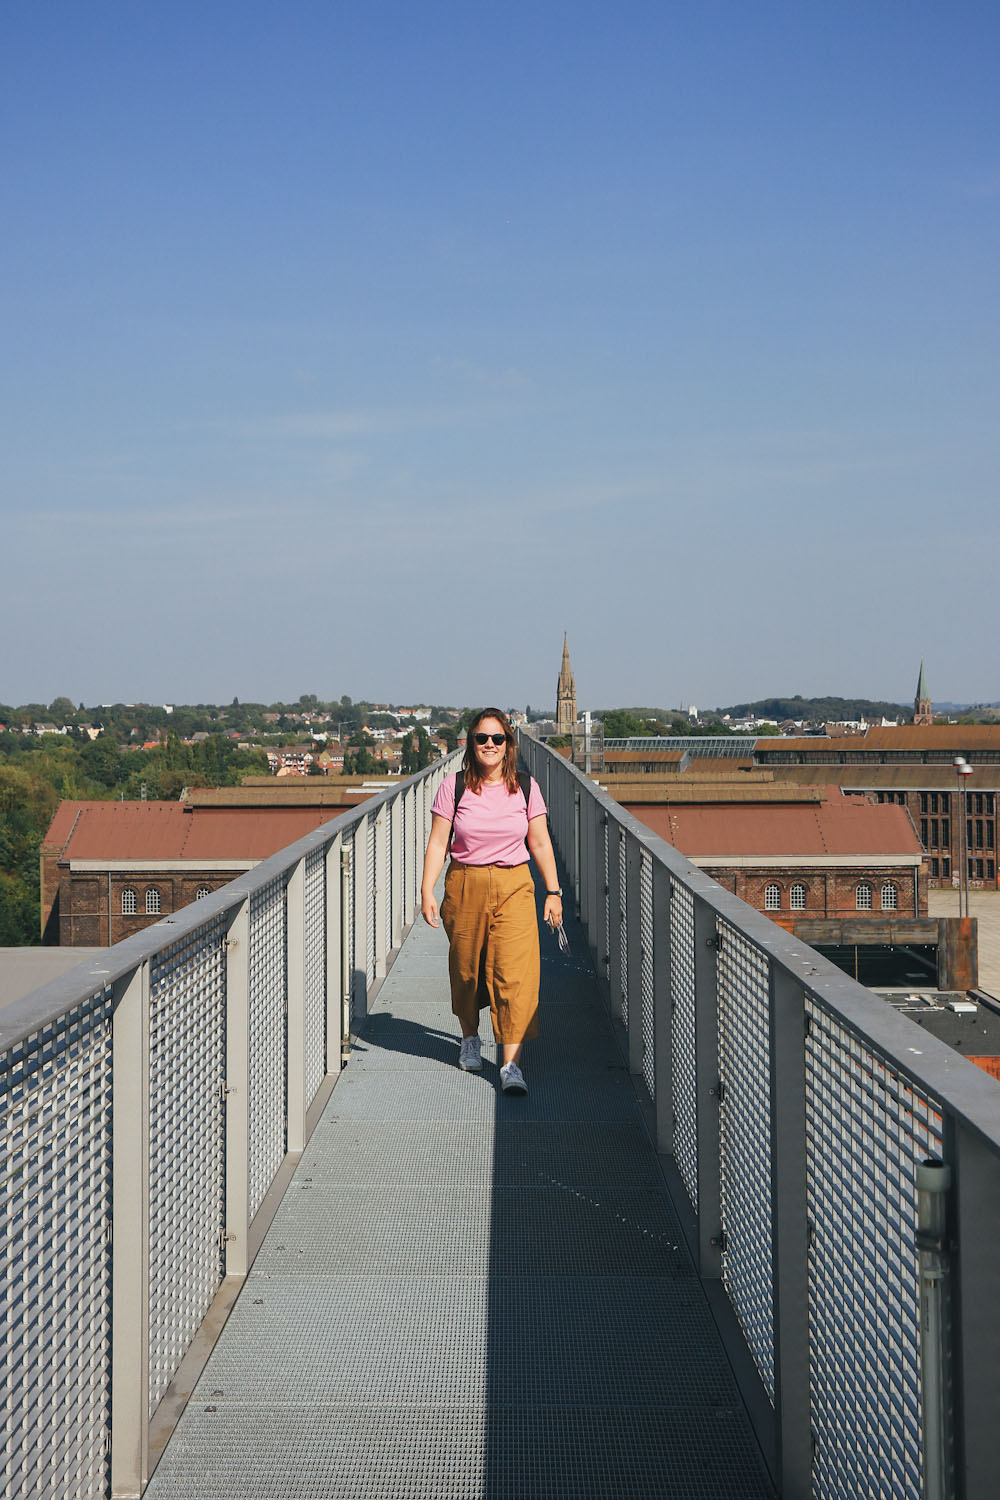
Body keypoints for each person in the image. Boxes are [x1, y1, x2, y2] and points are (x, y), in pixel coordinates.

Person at [420, 708, 563, 1095]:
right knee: (467, 970)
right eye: (482, 738)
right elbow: (438, 842)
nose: (489, 745)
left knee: (515, 974)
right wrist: (426, 889)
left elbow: (539, 841)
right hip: (465, 884)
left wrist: (553, 890)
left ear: (508, 744)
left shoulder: (526, 787)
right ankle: (470, 1037)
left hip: (515, 884)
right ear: (471, 743)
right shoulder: (454, 787)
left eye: (497, 739)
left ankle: (511, 1065)